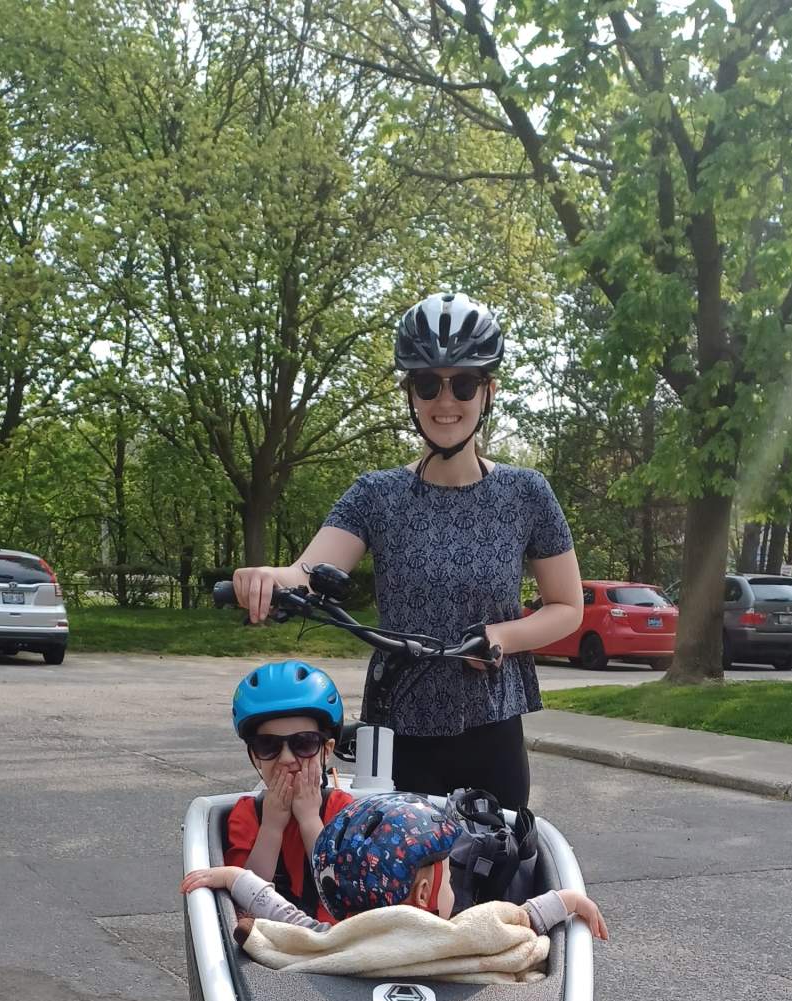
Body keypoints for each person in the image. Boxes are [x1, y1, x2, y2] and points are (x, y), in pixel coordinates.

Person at [229, 293, 584, 811]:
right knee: (386, 882)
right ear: (410, 394)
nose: (446, 401)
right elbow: (308, 570)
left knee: (498, 875)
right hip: (396, 724)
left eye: (463, 383)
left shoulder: (526, 493)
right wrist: (268, 577)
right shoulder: (377, 495)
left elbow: (567, 607)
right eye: (427, 384)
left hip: (489, 724)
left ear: (488, 391)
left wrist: (501, 635)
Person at [182, 794, 608, 942]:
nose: (451, 886)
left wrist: (230, 877)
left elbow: (275, 909)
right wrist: (567, 900)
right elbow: (518, 920)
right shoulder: (460, 937)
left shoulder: (329, 938)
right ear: (423, 896)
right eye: (446, 874)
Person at [223, 660, 352, 920]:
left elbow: (344, 892)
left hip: (337, 943)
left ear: (326, 750)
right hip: (268, 945)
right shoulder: (248, 814)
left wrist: (309, 820)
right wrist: (271, 828)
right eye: (268, 745)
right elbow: (243, 901)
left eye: (303, 744)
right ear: (254, 756)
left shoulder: (343, 809)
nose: (286, 758)